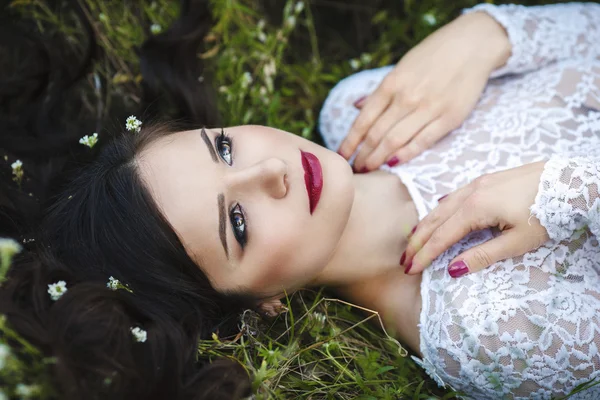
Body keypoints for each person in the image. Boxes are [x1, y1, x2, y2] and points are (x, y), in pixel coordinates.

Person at [1, 3, 598, 400]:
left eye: (226, 149)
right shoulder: (492, 335)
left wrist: (490, 34)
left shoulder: (363, 107)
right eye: (236, 222)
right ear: (261, 303)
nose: (270, 172)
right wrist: (573, 190)